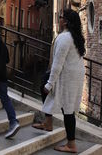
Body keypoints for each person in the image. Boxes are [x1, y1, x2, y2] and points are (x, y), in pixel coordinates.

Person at [33, 9, 85, 153]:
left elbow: (58, 63)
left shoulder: (65, 38)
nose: (59, 19)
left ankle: (71, 145)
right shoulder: (74, 37)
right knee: (65, 105)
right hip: (74, 75)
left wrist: (50, 83)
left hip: (68, 77)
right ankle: (48, 122)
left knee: (68, 110)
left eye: (61, 17)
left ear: (66, 21)